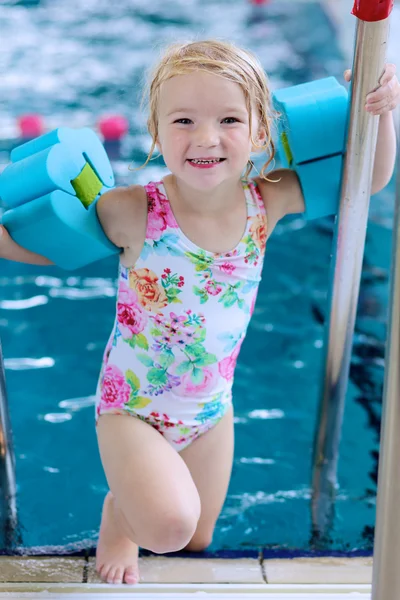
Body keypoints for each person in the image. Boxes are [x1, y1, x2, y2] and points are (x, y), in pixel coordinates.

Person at [0, 40, 399, 586]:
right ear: (155, 131)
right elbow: (53, 246)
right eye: (183, 120)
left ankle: (143, 505)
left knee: (196, 540)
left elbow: (366, 179)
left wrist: (382, 112)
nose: (206, 138)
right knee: (165, 529)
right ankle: (120, 516)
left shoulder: (268, 199)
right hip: (133, 407)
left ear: (261, 132)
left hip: (212, 409)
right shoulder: (134, 210)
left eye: (229, 120)